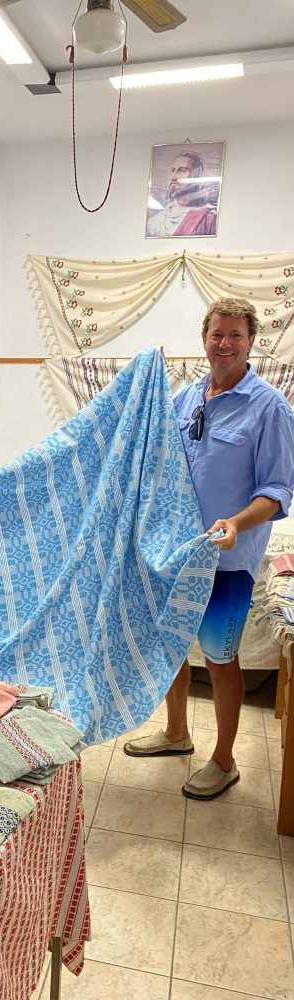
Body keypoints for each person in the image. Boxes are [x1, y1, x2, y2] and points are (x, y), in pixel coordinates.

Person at [124, 298, 294, 799]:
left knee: (221, 658)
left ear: (251, 343)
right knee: (172, 644)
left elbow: (279, 489)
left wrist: (238, 523)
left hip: (227, 558)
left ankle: (224, 760)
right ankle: (177, 734)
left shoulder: (270, 407)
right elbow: (158, 457)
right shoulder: (186, 397)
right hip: (176, 552)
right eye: (217, 334)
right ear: (204, 339)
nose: (224, 344)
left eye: (235, 336)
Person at [146, 149, 218, 238]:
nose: (173, 177)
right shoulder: (154, 222)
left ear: (196, 176)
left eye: (181, 170)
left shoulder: (209, 218)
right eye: (173, 170)